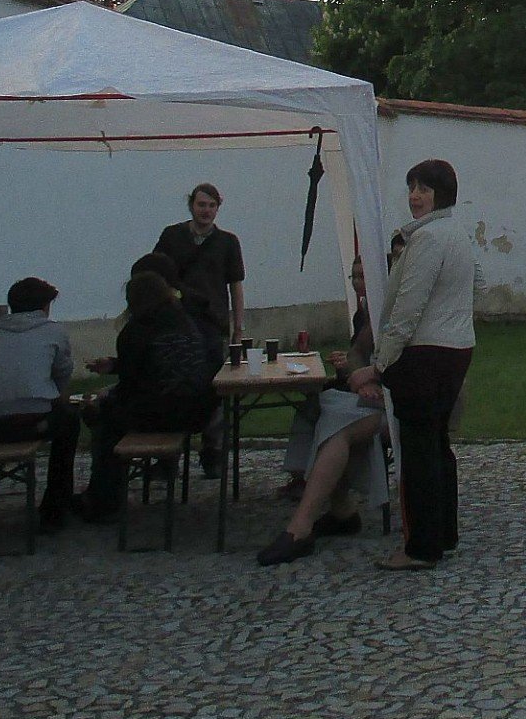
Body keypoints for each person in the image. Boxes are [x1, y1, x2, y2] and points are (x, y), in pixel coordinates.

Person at [350, 158, 474, 571]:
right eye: (412, 188)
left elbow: (407, 307)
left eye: (423, 189)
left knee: (418, 449)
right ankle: (444, 534)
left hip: (423, 352)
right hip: (455, 346)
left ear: (442, 194)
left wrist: (379, 363)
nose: (415, 197)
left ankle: (420, 546)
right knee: (437, 444)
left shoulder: (428, 240)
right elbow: (480, 284)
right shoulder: (456, 233)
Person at [255, 255, 384, 566]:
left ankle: (301, 525)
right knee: (313, 408)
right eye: (354, 276)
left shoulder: (388, 312)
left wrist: (367, 376)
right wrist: (352, 371)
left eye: (363, 275)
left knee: (335, 423)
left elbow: (394, 360)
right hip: (365, 391)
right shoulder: (366, 313)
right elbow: (361, 359)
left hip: (391, 401)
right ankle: (334, 504)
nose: (359, 282)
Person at [77, 269, 223, 522]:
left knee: (104, 420)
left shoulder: (136, 331)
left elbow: (133, 384)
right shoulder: (187, 323)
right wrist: (115, 365)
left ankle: (103, 497)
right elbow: (161, 365)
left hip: (158, 412)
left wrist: (103, 398)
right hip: (196, 411)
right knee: (111, 412)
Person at [0, 277, 78, 537]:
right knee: (69, 422)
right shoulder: (53, 332)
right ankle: (55, 509)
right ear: (44, 307)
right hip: (34, 422)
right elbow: (62, 373)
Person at [150, 184, 244, 478]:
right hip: (176, 322)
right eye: (201, 205)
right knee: (173, 387)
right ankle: (168, 456)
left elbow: (236, 285)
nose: (206, 211)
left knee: (214, 389)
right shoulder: (171, 236)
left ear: (218, 208)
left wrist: (237, 327)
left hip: (212, 322)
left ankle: (212, 452)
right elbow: (156, 273)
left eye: (211, 206)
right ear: (192, 205)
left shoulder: (228, 242)